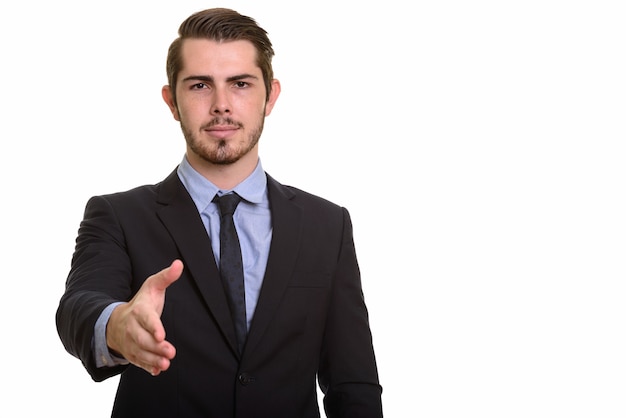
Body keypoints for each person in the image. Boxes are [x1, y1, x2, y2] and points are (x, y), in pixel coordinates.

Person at [56, 7, 383, 417]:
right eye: (199, 86)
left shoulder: (327, 225)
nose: (222, 105)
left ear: (271, 96)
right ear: (172, 101)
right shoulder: (118, 215)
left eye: (241, 84)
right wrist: (116, 325)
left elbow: (353, 384)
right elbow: (77, 306)